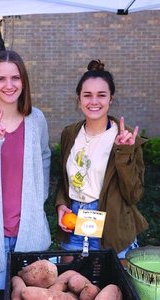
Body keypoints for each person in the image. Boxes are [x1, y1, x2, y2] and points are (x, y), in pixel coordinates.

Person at [0, 50, 51, 291]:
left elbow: (45, 158)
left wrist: (38, 201)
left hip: (30, 232)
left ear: (23, 81)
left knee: (31, 295)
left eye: (15, 78)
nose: (9, 85)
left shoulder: (36, 120)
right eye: (1, 78)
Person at [54, 59, 148, 267]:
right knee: (70, 285)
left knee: (114, 289)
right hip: (74, 222)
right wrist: (61, 204)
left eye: (101, 95)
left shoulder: (127, 138)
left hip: (113, 222)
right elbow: (63, 180)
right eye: (87, 95)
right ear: (79, 98)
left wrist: (124, 153)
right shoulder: (70, 134)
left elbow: (133, 194)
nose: (93, 101)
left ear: (111, 98)